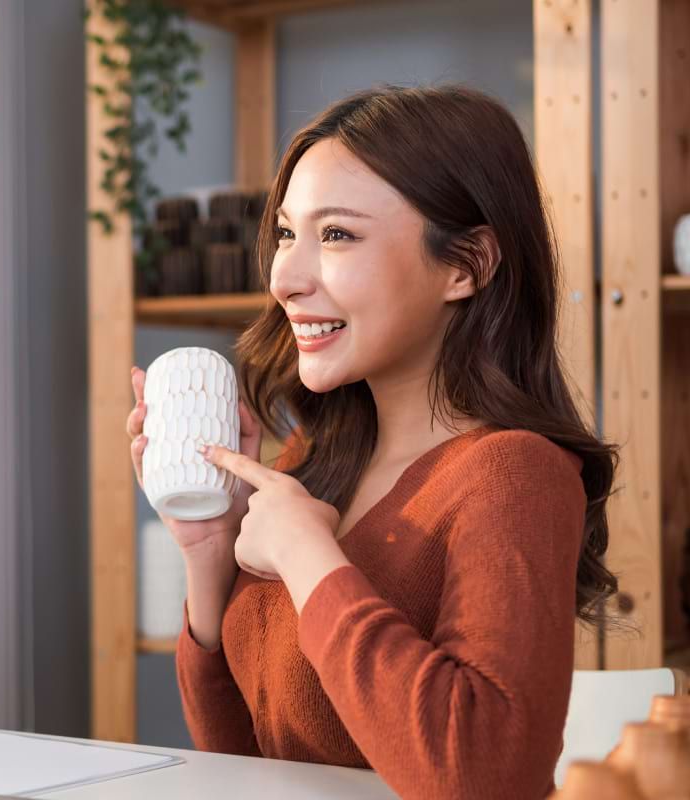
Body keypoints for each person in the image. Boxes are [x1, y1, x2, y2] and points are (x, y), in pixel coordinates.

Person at [124, 85, 618, 799]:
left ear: (466, 265)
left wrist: (304, 552)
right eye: (289, 233)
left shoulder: (515, 476)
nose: (285, 278)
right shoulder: (312, 466)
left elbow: (488, 776)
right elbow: (245, 764)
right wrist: (210, 553)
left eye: (337, 235)